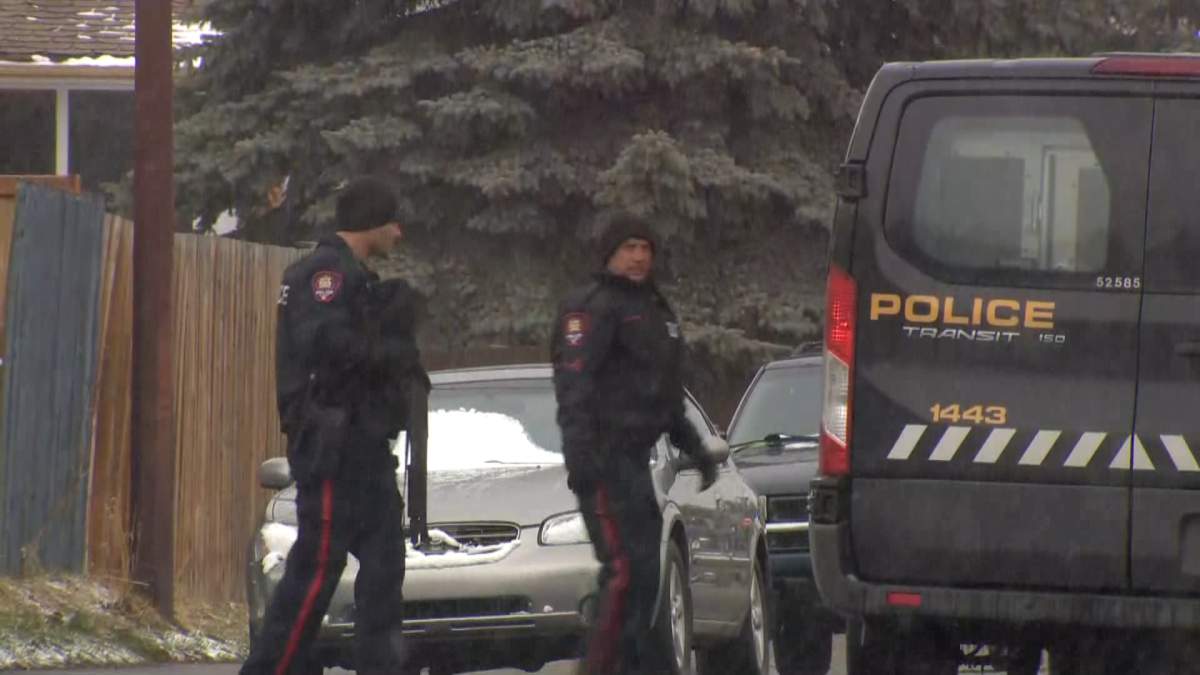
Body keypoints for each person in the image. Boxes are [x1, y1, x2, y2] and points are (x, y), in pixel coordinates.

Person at [241, 176, 428, 675]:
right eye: (393, 222)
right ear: (371, 222)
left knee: (385, 565)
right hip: (334, 445)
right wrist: (388, 348)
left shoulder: (353, 276)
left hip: (364, 446)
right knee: (317, 568)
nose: (399, 233)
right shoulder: (324, 274)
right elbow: (324, 346)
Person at [551, 215, 719, 675]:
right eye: (629, 247)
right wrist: (580, 454)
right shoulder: (591, 308)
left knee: (647, 575)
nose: (639, 256)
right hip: (603, 460)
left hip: (635, 463)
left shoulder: (654, 310)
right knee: (624, 571)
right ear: (609, 252)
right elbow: (575, 386)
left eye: (646, 247)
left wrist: (695, 446)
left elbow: (664, 393)